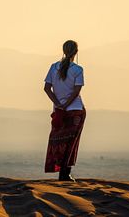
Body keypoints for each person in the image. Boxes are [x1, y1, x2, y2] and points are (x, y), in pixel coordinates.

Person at [43, 40, 86, 182]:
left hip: (59, 111)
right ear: (76, 52)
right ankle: (65, 174)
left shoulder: (54, 67)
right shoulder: (78, 69)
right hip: (75, 110)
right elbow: (76, 90)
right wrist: (66, 104)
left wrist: (58, 104)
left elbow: (47, 88)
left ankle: (62, 173)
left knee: (58, 142)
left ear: (63, 50)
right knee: (71, 142)